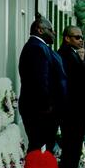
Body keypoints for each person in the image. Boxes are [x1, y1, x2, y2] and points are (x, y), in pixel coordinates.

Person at [18, 15, 67, 152]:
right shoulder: (36, 48)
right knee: (37, 147)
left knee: (40, 146)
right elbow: (40, 81)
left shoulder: (40, 47)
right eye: (51, 29)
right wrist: (47, 106)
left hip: (42, 109)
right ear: (40, 30)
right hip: (39, 110)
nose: (54, 33)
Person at [56, 26, 85, 168]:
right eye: (77, 37)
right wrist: (83, 61)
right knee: (71, 152)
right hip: (71, 112)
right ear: (67, 38)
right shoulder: (65, 55)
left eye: (81, 37)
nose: (80, 40)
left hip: (76, 111)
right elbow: (82, 78)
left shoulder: (72, 54)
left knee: (74, 152)